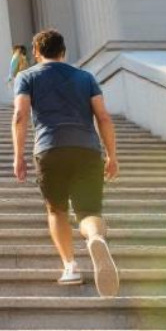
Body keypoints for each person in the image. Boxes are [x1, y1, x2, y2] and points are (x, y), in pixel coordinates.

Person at [11, 29, 121, 297]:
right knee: (89, 211)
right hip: (87, 149)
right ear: (64, 51)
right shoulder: (85, 77)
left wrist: (18, 155)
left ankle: (70, 266)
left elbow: (20, 115)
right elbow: (104, 117)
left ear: (36, 52)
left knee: (57, 210)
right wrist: (112, 155)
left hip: (50, 148)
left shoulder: (27, 76)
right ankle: (95, 238)